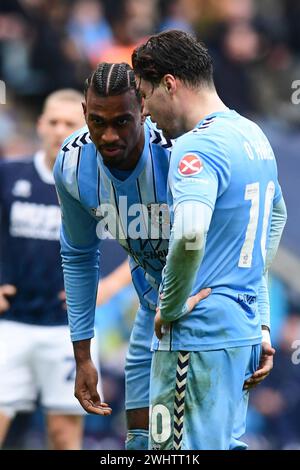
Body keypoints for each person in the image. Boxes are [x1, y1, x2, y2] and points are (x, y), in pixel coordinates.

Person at [132, 30, 287, 450]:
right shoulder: (253, 135)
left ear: (169, 83)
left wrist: (171, 303)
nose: (144, 112)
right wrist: (262, 320)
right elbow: (276, 219)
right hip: (241, 333)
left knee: (172, 454)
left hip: (196, 338)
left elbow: (191, 231)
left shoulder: (195, 148)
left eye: (145, 95)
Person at [53, 62, 209, 450]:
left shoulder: (179, 155)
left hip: (205, 309)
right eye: (97, 121)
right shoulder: (72, 165)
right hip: (150, 310)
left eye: (122, 121)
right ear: (84, 114)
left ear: (143, 108)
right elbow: (77, 255)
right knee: (141, 443)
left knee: (193, 445)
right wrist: (83, 355)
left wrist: (257, 322)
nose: (108, 135)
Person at [0, 89, 94, 450]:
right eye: (52, 121)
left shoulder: (95, 185)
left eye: (69, 123)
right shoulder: (9, 174)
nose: (58, 130)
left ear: (86, 129)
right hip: (10, 323)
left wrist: (102, 290)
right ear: (39, 124)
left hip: (68, 331)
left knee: (63, 436)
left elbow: (136, 248)